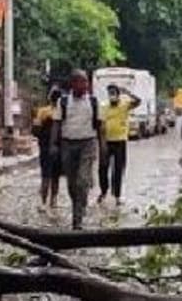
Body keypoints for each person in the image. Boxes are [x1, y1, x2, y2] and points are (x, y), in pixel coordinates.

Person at [50, 70, 100, 229]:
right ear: (73, 84)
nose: (85, 85)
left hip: (88, 143)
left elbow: (100, 126)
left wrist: (103, 147)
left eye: (86, 82)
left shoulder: (93, 101)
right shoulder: (63, 102)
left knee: (82, 180)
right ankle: (77, 206)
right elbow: (56, 124)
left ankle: (78, 218)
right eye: (81, 81)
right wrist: (53, 144)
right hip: (67, 144)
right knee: (72, 183)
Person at [98, 84, 141, 205]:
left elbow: (138, 101)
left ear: (118, 94)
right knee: (103, 168)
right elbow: (101, 127)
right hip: (107, 141)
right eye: (110, 93)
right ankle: (104, 191)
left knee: (118, 169)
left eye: (114, 93)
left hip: (120, 141)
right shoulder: (104, 107)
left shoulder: (124, 105)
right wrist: (102, 144)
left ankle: (117, 195)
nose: (112, 95)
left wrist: (127, 92)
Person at [32, 87, 62, 209]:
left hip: (46, 148)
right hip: (58, 147)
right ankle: (53, 200)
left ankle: (44, 201)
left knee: (46, 175)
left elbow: (35, 130)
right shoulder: (62, 112)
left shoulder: (43, 111)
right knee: (55, 176)